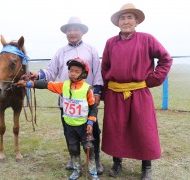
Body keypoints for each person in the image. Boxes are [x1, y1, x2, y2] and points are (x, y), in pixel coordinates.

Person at [101, 3, 173, 180]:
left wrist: (153, 79)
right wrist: (104, 94)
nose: (126, 21)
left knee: (143, 128)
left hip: (139, 92)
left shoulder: (147, 39)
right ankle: (117, 162)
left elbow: (166, 59)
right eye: (122, 18)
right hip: (116, 93)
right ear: (118, 22)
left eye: (129, 17)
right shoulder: (110, 43)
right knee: (115, 128)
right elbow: (105, 69)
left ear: (136, 21)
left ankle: (146, 166)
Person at [30, 16, 104, 174]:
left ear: (82, 32)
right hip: (67, 101)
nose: (72, 33)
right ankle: (73, 157)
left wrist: (97, 92)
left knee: (93, 131)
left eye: (76, 29)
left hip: (86, 99)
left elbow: (98, 72)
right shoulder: (61, 52)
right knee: (69, 130)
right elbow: (51, 72)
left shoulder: (91, 50)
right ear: (66, 33)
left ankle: (96, 160)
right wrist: (38, 75)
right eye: (69, 30)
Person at [16, 58, 99, 180]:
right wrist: (28, 84)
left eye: (76, 71)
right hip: (69, 125)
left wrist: (91, 122)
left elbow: (93, 108)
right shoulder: (63, 85)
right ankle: (77, 170)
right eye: (71, 71)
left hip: (84, 125)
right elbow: (46, 84)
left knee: (88, 148)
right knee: (73, 148)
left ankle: (92, 173)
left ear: (84, 74)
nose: (72, 73)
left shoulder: (87, 89)